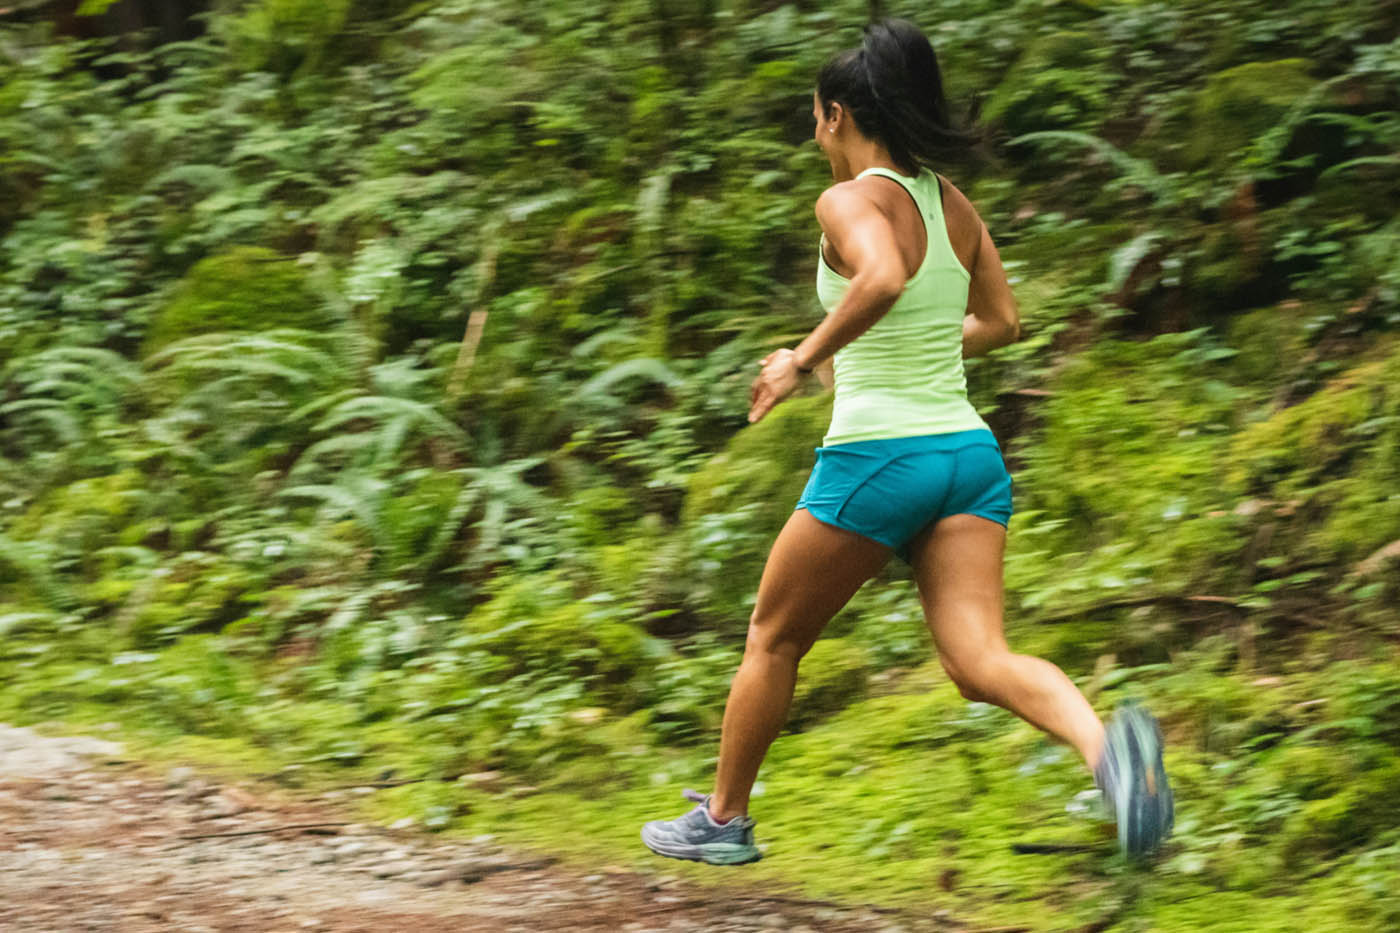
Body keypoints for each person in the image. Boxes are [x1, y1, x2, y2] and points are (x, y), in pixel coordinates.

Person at [640, 17, 1173, 865]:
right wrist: (907, 343)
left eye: (816, 117)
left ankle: (722, 819)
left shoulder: (848, 199)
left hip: (880, 454)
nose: (815, 132)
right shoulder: (952, 204)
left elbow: (884, 275)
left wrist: (800, 359)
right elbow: (1003, 322)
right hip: (966, 456)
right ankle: (1113, 758)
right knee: (979, 659)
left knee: (772, 638)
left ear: (840, 115)